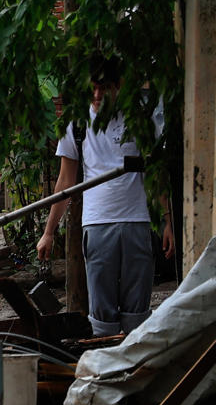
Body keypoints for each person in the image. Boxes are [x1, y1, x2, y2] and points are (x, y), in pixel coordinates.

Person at [37, 62, 176, 337]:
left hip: (138, 221)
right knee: (102, 313)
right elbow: (65, 182)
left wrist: (167, 222)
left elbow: (155, 174)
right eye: (94, 89)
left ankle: (135, 371)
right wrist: (48, 232)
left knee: (138, 311)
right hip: (98, 224)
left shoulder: (140, 121)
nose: (98, 95)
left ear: (119, 88)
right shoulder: (76, 124)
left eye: (105, 88)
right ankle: (105, 369)